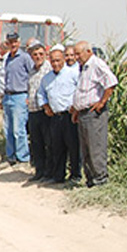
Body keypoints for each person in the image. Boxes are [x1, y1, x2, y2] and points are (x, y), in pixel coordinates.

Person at [70, 41, 118, 188]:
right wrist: (77, 110)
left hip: (93, 114)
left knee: (95, 147)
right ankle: (90, 180)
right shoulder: (84, 68)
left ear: (88, 52)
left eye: (78, 53)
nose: (76, 57)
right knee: (86, 148)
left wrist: (101, 103)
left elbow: (111, 82)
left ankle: (100, 180)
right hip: (83, 113)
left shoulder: (97, 64)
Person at [38, 46, 81, 184]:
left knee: (73, 147)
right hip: (55, 117)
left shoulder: (73, 74)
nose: (56, 63)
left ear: (63, 60)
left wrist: (76, 108)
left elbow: (80, 91)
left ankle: (75, 175)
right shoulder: (47, 78)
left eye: (58, 60)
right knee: (56, 147)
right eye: (53, 61)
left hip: (70, 116)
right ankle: (58, 176)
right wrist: (45, 106)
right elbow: (41, 94)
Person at [2, 32, 34, 165]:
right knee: (8, 129)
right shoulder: (7, 59)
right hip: (8, 96)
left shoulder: (25, 58)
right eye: (10, 42)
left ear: (19, 42)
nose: (13, 44)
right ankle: (11, 156)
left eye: (15, 42)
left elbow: (32, 76)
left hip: (20, 96)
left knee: (18, 130)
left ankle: (23, 158)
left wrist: (29, 96)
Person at [26, 41, 52, 181]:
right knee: (36, 143)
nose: (38, 57)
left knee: (47, 142)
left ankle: (48, 172)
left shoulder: (48, 69)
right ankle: (39, 171)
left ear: (45, 54)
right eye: (35, 54)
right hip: (33, 111)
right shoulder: (32, 71)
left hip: (44, 111)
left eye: (41, 54)